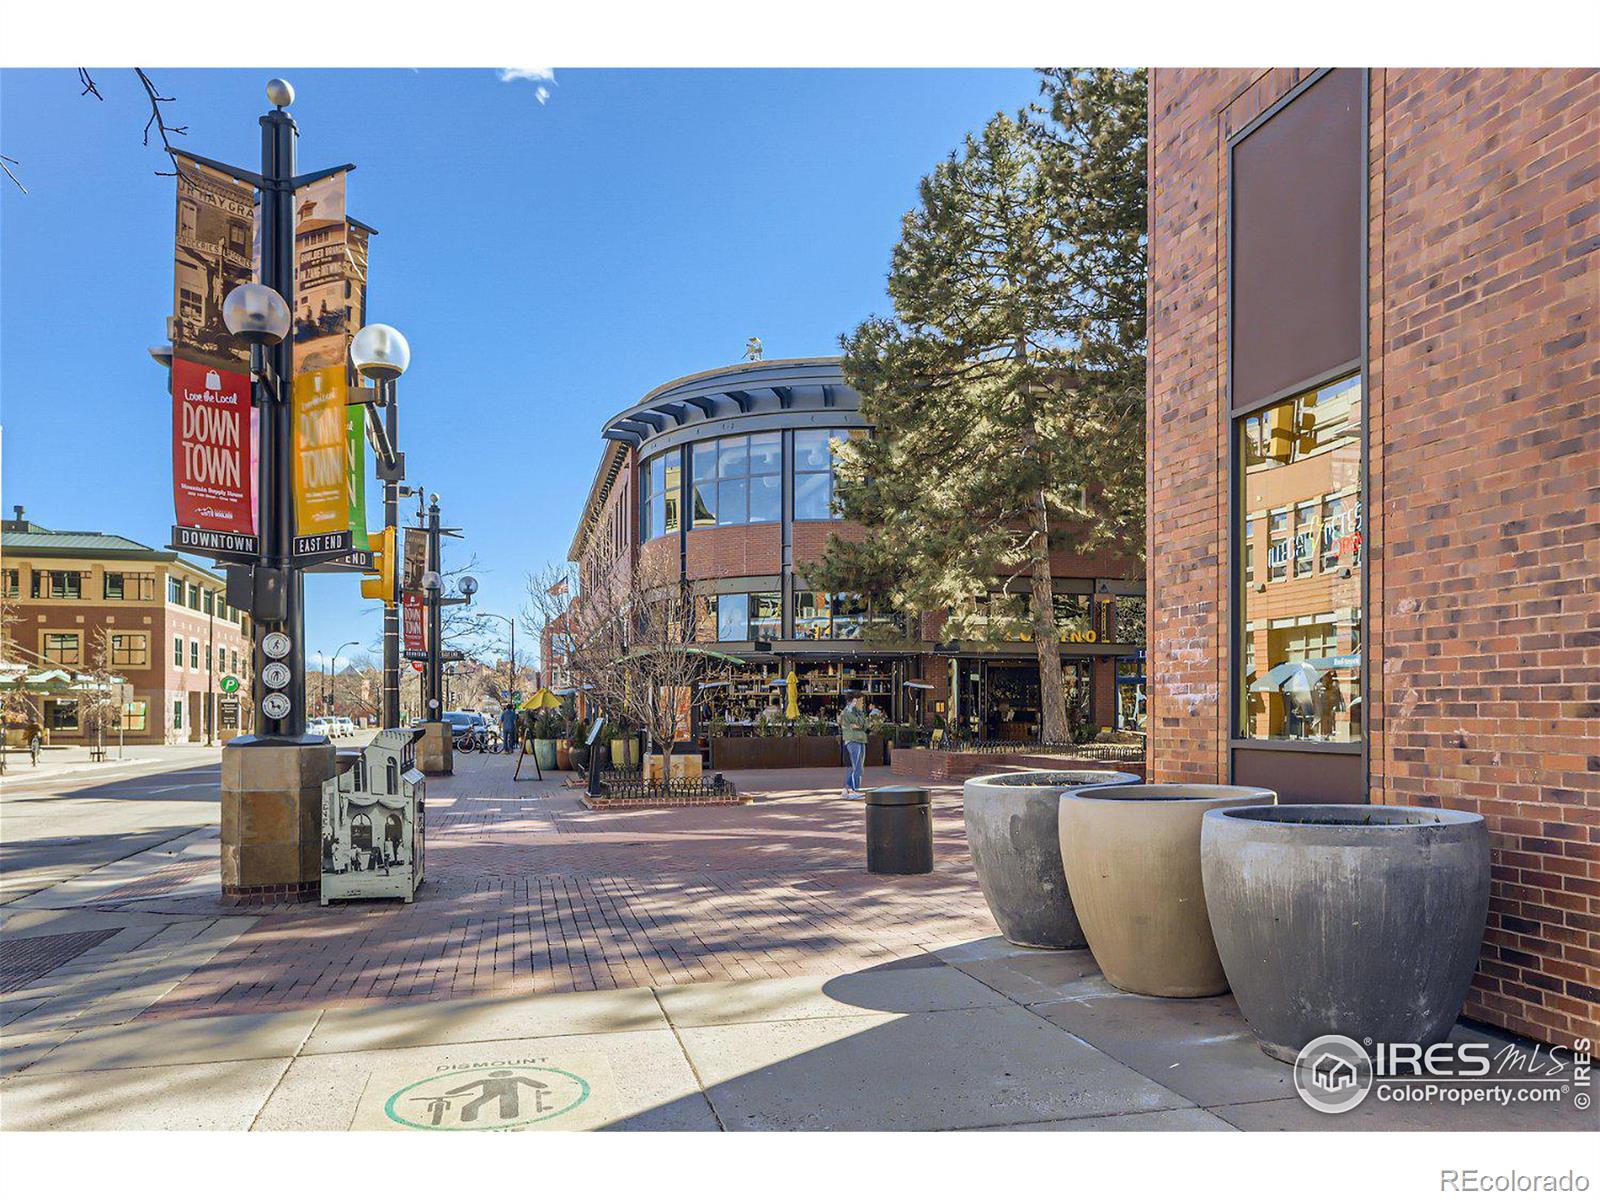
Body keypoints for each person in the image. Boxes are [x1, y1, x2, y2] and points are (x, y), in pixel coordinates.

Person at [839, 691, 870, 800]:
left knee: (859, 767)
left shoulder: (858, 711)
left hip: (861, 740)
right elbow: (860, 723)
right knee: (853, 766)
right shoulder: (848, 711)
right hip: (852, 740)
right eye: (861, 700)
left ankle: (852, 789)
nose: (863, 703)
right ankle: (851, 789)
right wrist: (860, 724)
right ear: (854, 701)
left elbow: (864, 725)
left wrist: (860, 724)